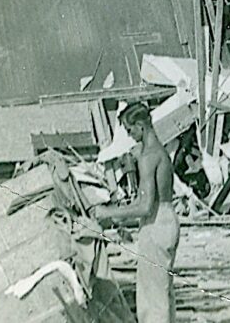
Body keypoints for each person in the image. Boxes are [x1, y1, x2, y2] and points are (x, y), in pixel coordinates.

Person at [93, 103, 180, 323]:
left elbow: (145, 206)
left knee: (152, 299)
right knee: (163, 293)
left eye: (130, 130)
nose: (130, 136)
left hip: (156, 223)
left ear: (140, 126)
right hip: (167, 218)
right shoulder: (159, 151)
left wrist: (108, 212)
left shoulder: (149, 156)